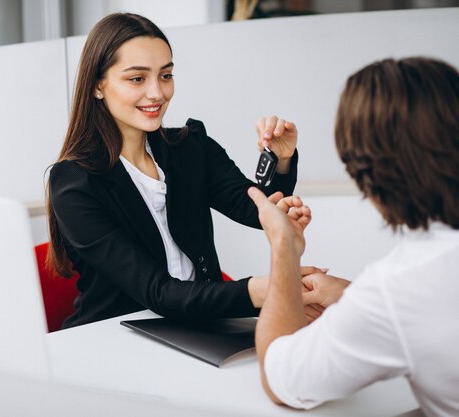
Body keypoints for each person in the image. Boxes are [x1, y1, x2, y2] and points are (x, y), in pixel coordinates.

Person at [45, 12, 331, 329]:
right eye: (137, 78)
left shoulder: (191, 147)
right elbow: (159, 293)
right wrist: (271, 290)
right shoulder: (74, 184)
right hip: (118, 335)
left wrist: (282, 159)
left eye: (166, 75)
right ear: (98, 85)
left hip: (198, 323)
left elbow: (256, 209)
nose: (157, 93)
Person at [251, 57, 459, 417]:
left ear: (366, 171)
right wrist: (351, 295)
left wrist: (284, 247)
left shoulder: (400, 288)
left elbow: (280, 377)